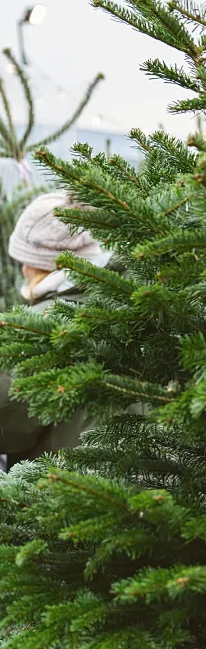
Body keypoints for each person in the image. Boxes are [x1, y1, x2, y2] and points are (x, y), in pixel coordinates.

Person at [0, 190, 110, 469]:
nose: (23, 270)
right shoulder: (135, 299)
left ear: (45, 263)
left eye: (27, 260)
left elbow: (9, 423)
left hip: (68, 493)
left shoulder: (38, 329)